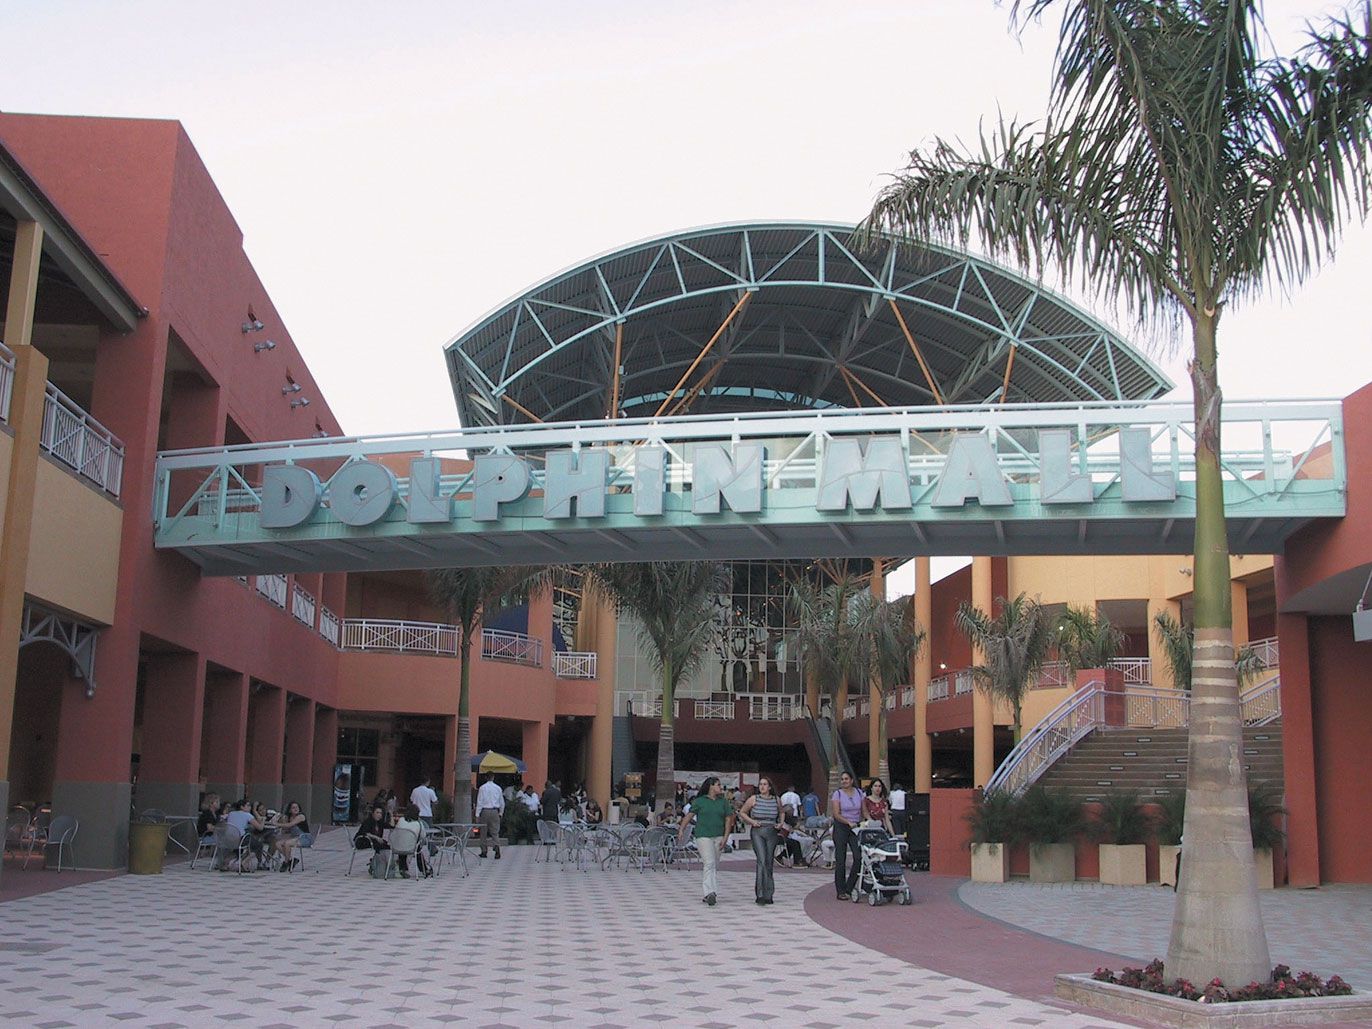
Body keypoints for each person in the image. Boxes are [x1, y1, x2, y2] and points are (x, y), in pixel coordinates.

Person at [677, 776, 733, 906]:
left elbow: (728, 819)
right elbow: (689, 815)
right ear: (711, 786)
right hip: (703, 835)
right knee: (709, 862)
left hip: (718, 835)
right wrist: (681, 829)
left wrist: (726, 837)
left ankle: (709, 891)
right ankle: (710, 892)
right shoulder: (700, 801)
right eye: (718, 785)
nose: (720, 787)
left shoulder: (723, 802)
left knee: (714, 864)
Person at [738, 776, 785, 905]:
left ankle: (769, 893)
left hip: (772, 830)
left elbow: (782, 812)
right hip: (758, 831)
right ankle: (760, 893)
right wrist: (752, 822)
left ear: (769, 787)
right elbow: (742, 812)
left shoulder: (776, 800)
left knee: (769, 861)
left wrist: (780, 823)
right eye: (760, 784)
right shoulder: (754, 799)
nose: (762, 787)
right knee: (762, 860)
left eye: (765, 784)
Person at [829, 771, 865, 900]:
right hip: (841, 827)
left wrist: (870, 821)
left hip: (855, 828)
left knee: (858, 857)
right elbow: (836, 813)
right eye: (842, 779)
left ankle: (850, 887)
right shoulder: (837, 794)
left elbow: (864, 811)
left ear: (851, 780)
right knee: (841, 859)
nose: (844, 781)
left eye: (846, 779)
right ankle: (841, 890)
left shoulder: (860, 793)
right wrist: (847, 822)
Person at [393, 803, 431, 878]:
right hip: (412, 847)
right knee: (418, 849)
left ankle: (403, 868)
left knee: (403, 843)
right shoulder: (418, 823)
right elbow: (423, 836)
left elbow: (396, 831)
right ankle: (424, 869)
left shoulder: (401, 820)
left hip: (397, 846)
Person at [272, 800, 310, 871]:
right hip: (294, 837)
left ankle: (286, 863)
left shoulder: (301, 816)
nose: (295, 809)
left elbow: (290, 825)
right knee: (278, 844)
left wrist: (276, 824)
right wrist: (280, 820)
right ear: (289, 810)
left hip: (304, 837)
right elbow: (286, 828)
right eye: (293, 808)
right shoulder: (289, 817)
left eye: (297, 807)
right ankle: (291, 860)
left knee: (287, 843)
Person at [475, 772, 504, 859]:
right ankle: (496, 847)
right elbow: (502, 802)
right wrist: (501, 813)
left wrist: (477, 814)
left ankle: (484, 851)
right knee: (495, 832)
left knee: (483, 832)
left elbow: (479, 801)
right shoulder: (498, 788)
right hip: (495, 810)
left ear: (486, 778)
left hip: (485, 810)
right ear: (493, 777)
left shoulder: (482, 788)